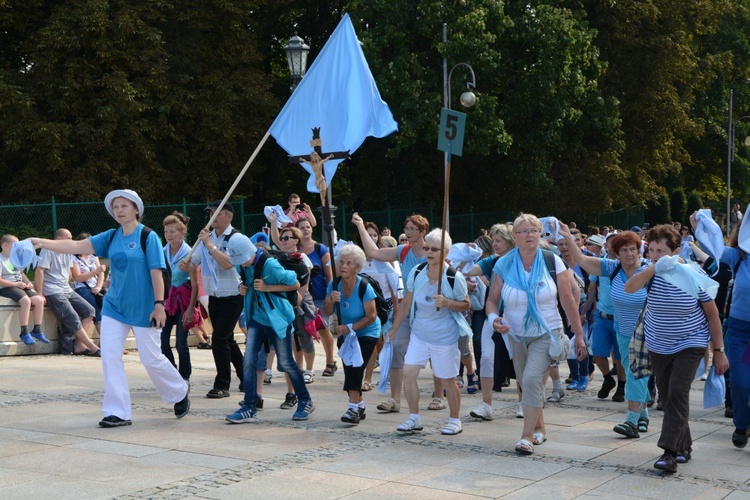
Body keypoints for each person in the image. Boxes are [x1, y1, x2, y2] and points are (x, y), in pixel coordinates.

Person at [31, 189, 190, 427]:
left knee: (151, 359)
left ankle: (178, 391)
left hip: (144, 307)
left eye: (124, 206)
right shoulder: (111, 236)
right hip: (115, 306)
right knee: (110, 357)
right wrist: (41, 242)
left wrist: (159, 305)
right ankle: (118, 412)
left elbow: (157, 273)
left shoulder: (148, 236)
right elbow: (75, 246)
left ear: (136, 209)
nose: (119, 210)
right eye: (115, 207)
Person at [625, 224, 728, 472]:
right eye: (652, 250)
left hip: (690, 343)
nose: (657, 254)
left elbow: (712, 314)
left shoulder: (690, 274)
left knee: (677, 393)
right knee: (669, 396)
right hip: (658, 344)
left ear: (675, 250)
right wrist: (652, 269)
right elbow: (630, 288)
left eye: (662, 250)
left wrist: (719, 351)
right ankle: (685, 445)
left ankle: (669, 452)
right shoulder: (649, 271)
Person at [486, 214, 586, 455]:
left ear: (540, 235)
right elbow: (492, 300)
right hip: (515, 333)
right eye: (523, 231)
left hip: (547, 331)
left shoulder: (552, 261)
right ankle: (541, 429)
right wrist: (493, 319)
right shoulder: (504, 264)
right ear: (515, 237)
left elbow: (568, 299)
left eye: (534, 231)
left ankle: (526, 436)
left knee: (531, 380)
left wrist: (579, 335)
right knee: (525, 382)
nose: (529, 235)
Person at [559, 225, 650, 437]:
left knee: (637, 374)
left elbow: (678, 266)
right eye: (624, 250)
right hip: (623, 332)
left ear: (639, 250)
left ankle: (632, 421)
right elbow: (581, 261)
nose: (629, 253)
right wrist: (567, 238)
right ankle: (644, 413)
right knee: (634, 374)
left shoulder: (648, 268)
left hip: (647, 333)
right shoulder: (612, 268)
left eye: (633, 249)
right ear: (616, 253)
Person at [224, 233, 316, 423]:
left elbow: (295, 283)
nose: (242, 263)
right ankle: (250, 406)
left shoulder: (270, 265)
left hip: (277, 320)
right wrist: (244, 289)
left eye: (243, 259)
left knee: (286, 362)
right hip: (257, 318)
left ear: (250, 251)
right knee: (248, 361)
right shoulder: (244, 264)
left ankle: (305, 401)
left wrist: (268, 287)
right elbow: (250, 285)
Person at [387, 229, 471, 435]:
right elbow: (406, 302)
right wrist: (394, 329)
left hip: (444, 337)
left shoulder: (453, 277)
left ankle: (454, 420)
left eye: (435, 249)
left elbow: (466, 304)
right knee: (408, 373)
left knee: (447, 380)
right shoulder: (417, 272)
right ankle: (414, 417)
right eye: (427, 248)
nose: (430, 252)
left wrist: (448, 302)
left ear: (447, 252)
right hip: (419, 333)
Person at [352, 212, 429, 413]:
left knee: (435, 354)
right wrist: (360, 226)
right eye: (406, 228)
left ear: (423, 231)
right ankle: (395, 400)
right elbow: (373, 252)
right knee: (395, 352)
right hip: (406, 310)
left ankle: (438, 395)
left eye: (412, 229)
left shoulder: (432, 250)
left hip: (429, 310)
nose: (408, 232)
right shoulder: (403, 251)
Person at [691, 210, 749, 449]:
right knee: (741, 382)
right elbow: (714, 248)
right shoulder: (740, 256)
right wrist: (699, 225)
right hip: (741, 332)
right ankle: (742, 422)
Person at [180, 200, 244, 399]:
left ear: (229, 216)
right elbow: (195, 264)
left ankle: (222, 384)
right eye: (210, 214)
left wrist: (208, 244)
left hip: (233, 296)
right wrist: (186, 263)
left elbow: (227, 264)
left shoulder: (236, 238)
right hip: (214, 296)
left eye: (217, 213)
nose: (212, 218)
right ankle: (246, 374)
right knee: (227, 340)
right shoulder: (206, 238)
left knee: (219, 340)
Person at [463, 224, 520, 420]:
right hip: (493, 315)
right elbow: (470, 270)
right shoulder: (492, 261)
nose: (494, 244)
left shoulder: (521, 260)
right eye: (493, 240)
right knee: (486, 357)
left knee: (518, 361)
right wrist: (466, 254)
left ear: (510, 241)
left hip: (516, 317)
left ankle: (523, 403)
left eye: (498, 241)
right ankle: (486, 405)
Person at [324, 244, 381, 424]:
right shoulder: (334, 284)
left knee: (356, 368)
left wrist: (350, 327)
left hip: (367, 332)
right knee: (349, 368)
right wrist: (331, 300)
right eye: (341, 262)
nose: (343, 266)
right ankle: (360, 405)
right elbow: (326, 310)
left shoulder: (364, 286)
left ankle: (352, 409)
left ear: (357, 267)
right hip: (346, 333)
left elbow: (372, 315)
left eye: (349, 263)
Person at [34, 228, 100, 356]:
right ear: (59, 239)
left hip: (66, 289)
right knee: (73, 317)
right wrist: (40, 293)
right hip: (53, 291)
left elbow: (70, 272)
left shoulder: (68, 251)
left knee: (89, 310)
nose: (71, 240)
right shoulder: (48, 250)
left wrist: (67, 284)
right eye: (68, 238)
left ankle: (80, 346)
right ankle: (92, 347)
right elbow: (39, 271)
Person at [161, 212, 202, 381]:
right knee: (162, 342)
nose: (169, 235)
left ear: (181, 233)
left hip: (184, 301)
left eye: (173, 231)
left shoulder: (189, 253)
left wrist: (191, 309)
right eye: (166, 231)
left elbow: (195, 284)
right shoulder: (162, 252)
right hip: (167, 300)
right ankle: (172, 373)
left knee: (181, 343)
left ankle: (185, 376)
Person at [0, 234, 48, 345]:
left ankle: (37, 330)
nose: (19, 247)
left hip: (19, 284)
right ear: (5, 245)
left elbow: (21, 273)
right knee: (26, 301)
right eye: (15, 244)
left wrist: (27, 283)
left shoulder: (16, 257)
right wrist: (16, 284)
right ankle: (24, 332)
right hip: (6, 287)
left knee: (39, 300)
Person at [71, 232, 106, 336]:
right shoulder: (73, 258)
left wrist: (98, 287)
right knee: (97, 311)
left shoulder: (93, 256)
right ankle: (106, 343)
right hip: (82, 288)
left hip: (96, 288)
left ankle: (105, 342)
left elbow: (101, 274)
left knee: (106, 310)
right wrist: (95, 272)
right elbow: (78, 277)